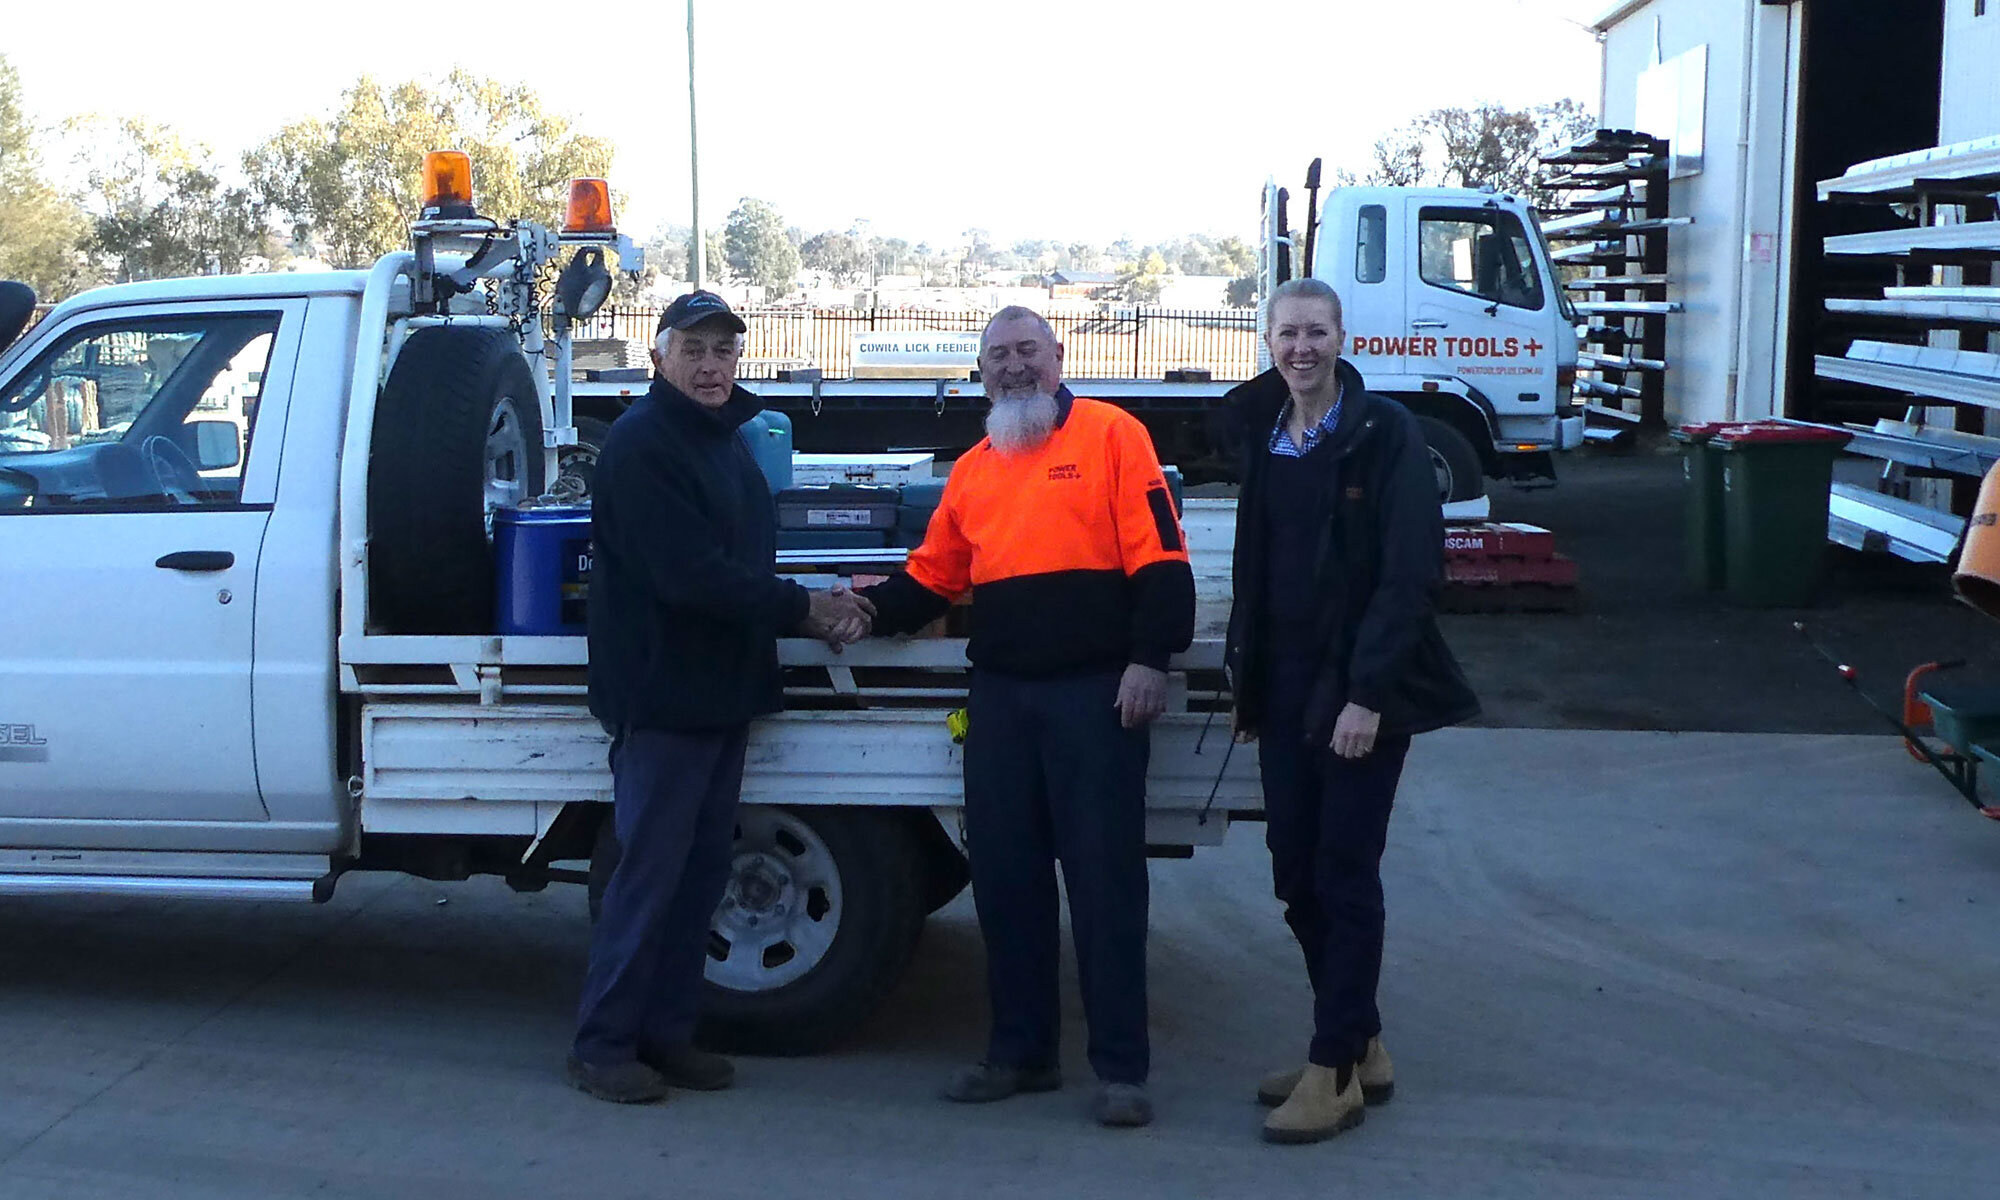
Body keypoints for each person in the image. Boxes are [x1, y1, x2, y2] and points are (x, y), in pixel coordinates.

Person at [860, 306, 1195, 1129]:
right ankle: (1021, 1054)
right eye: (997, 356)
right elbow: (931, 579)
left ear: (1058, 356)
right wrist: (856, 612)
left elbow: (1162, 558)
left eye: (1027, 351)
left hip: (1096, 696)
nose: (1013, 367)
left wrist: (1151, 659)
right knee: (1007, 883)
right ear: (980, 373)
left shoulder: (1113, 436)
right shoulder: (974, 469)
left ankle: (1121, 1070)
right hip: (1002, 701)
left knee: (1106, 885)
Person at [569, 291, 872, 1104]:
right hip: (664, 699)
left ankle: (667, 1037)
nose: (711, 366)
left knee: (699, 880)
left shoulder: (722, 437)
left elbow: (737, 560)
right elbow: (689, 576)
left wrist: (807, 599)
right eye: (694, 350)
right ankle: (602, 1046)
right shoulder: (643, 444)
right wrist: (802, 608)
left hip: (718, 695)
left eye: (723, 351)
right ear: (658, 356)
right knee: (649, 879)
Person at [1224, 277, 1479, 1144]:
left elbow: (1411, 574)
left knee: (1343, 872)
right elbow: (1258, 570)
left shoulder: (1385, 433)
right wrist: (1252, 685)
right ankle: (1361, 1043)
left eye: (1317, 333)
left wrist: (1367, 695)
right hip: (1285, 688)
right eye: (1287, 333)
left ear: (1343, 339)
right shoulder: (1266, 434)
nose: (1302, 348)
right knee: (1294, 874)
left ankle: (1331, 1070)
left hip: (1361, 692)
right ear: (1268, 343)